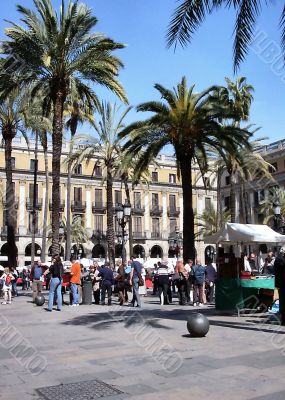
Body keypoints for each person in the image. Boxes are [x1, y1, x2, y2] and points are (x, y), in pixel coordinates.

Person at [274, 248, 285, 325]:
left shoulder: (278, 259)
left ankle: (283, 319)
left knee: (282, 301)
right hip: (283, 283)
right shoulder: (281, 260)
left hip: (280, 284)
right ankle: (283, 320)